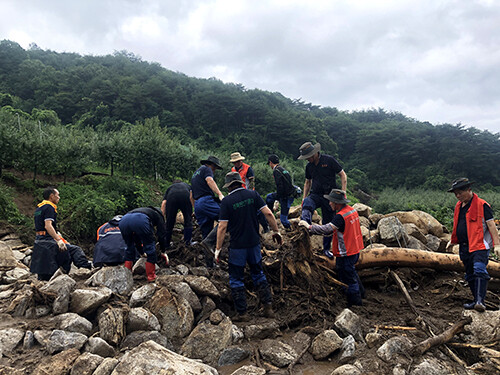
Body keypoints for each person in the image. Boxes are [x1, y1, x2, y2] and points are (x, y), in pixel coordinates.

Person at [215, 172, 283, 321]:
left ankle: (242, 313)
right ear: (240, 183)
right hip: (253, 244)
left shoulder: (227, 201)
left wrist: (218, 249)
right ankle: (268, 308)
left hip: (238, 246)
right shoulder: (253, 195)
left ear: (229, 187)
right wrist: (276, 232)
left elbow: (222, 227)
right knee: (258, 274)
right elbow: (269, 214)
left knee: (236, 278)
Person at [299, 189, 364, 307]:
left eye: (331, 201)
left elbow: (327, 229)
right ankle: (361, 293)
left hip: (346, 251)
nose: (329, 204)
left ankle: (355, 303)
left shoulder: (340, 216)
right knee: (351, 272)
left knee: (348, 277)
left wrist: (309, 227)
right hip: (355, 248)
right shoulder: (351, 210)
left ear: (337, 203)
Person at [446, 178, 500, 312]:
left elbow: (492, 226)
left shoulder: (482, 205)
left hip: (479, 245)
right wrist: (452, 241)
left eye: (460, 193)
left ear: (469, 189)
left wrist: (497, 244)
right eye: (456, 194)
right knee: (469, 274)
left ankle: (480, 301)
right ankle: (476, 300)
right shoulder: (459, 206)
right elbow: (458, 224)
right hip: (465, 246)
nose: (458, 196)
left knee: (479, 269)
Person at [298, 141, 347, 258]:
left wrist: (343, 193)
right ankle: (305, 228)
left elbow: (343, 175)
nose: (306, 160)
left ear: (314, 154)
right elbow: (307, 182)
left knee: (328, 223)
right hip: (316, 194)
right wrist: (304, 198)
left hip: (330, 196)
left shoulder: (329, 160)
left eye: (307, 157)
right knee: (307, 204)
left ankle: (326, 249)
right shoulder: (309, 166)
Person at [30, 187, 91, 281]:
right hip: (48, 240)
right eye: (57, 195)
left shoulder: (39, 208)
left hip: (39, 241)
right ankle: (87, 270)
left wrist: (58, 236)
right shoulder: (50, 207)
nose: (59, 197)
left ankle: (44, 278)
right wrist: (58, 240)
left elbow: (41, 226)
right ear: (51, 196)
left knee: (46, 265)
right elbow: (48, 226)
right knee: (74, 250)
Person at [119, 206, 169, 282]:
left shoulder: (144, 210)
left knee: (129, 246)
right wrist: (163, 251)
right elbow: (161, 235)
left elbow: (136, 238)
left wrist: (141, 253)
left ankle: (127, 275)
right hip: (141, 220)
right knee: (150, 245)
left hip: (123, 220)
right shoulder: (158, 216)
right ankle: (151, 276)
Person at [191, 156, 224, 267]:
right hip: (206, 201)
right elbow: (209, 180)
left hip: (198, 205)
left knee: (206, 234)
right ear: (212, 165)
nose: (214, 171)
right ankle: (209, 241)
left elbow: (191, 194)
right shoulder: (206, 169)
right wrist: (220, 194)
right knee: (227, 218)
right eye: (215, 168)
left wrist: (195, 208)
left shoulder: (195, 174)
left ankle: (209, 265)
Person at [230, 151, 269, 232]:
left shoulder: (247, 168)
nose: (236, 163)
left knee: (258, 210)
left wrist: (250, 193)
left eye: (238, 161)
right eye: (235, 162)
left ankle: (265, 227)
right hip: (237, 193)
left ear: (241, 161)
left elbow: (251, 182)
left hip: (247, 191)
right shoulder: (233, 170)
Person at [161, 180, 195, 247]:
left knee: (169, 221)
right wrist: (194, 210)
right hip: (186, 195)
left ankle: (167, 243)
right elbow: (192, 197)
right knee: (188, 220)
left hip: (172, 197)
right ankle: (188, 243)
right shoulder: (187, 186)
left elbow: (164, 203)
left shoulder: (170, 188)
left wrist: (161, 217)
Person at [265, 154, 295, 231]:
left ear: (271, 162)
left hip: (285, 196)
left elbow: (280, 186)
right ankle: (271, 215)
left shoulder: (276, 171)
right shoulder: (283, 169)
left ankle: (291, 229)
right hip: (290, 194)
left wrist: (277, 199)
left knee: (283, 219)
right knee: (269, 197)